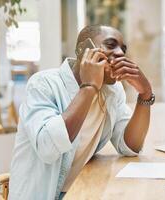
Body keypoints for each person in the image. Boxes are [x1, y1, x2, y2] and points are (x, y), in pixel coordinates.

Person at [8, 25, 155, 200]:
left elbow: (129, 146)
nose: (120, 54)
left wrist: (145, 94)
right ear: (83, 49)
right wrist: (89, 86)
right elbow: (47, 147)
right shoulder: (43, 84)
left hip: (79, 190)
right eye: (110, 45)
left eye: (123, 49)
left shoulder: (112, 91)